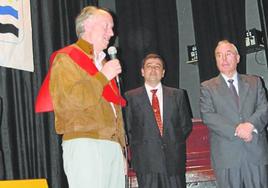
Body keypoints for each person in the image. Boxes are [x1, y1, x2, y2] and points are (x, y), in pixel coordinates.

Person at [36, 6, 126, 188]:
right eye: (106, 26)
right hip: (85, 142)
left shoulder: (104, 62)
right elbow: (70, 101)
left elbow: (113, 110)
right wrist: (102, 77)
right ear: (87, 25)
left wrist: (121, 149)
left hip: (112, 146)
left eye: (112, 27)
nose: (112, 33)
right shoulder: (66, 58)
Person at [200, 40, 268, 188]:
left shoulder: (255, 82)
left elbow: (264, 108)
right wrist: (238, 130)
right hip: (226, 157)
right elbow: (208, 115)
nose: (223, 59)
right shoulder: (207, 87)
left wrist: (250, 126)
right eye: (219, 55)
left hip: (255, 152)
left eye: (228, 54)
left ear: (237, 58)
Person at [125, 53, 193, 188]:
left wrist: (171, 141)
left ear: (163, 73)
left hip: (173, 162)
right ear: (142, 72)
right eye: (149, 66)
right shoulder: (130, 97)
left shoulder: (178, 95)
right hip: (146, 163)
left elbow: (185, 126)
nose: (153, 69)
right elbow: (128, 129)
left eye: (157, 66)